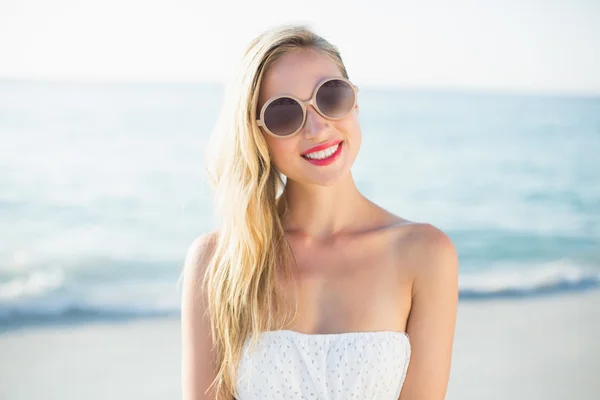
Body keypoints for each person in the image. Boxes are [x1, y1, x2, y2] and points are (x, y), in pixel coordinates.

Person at [181, 24, 458, 400]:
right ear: (255, 134)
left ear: (355, 102)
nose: (316, 127)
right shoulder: (218, 261)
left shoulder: (425, 253)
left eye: (331, 96)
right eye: (284, 114)